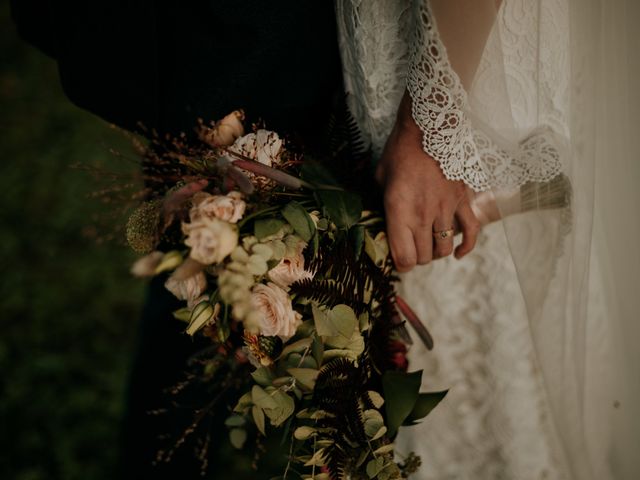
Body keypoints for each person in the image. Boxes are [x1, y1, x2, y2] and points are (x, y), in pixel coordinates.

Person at [13, 1, 640, 479]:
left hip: (432, 68)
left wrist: (433, 127)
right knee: (224, 270)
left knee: (462, 311)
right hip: (292, 58)